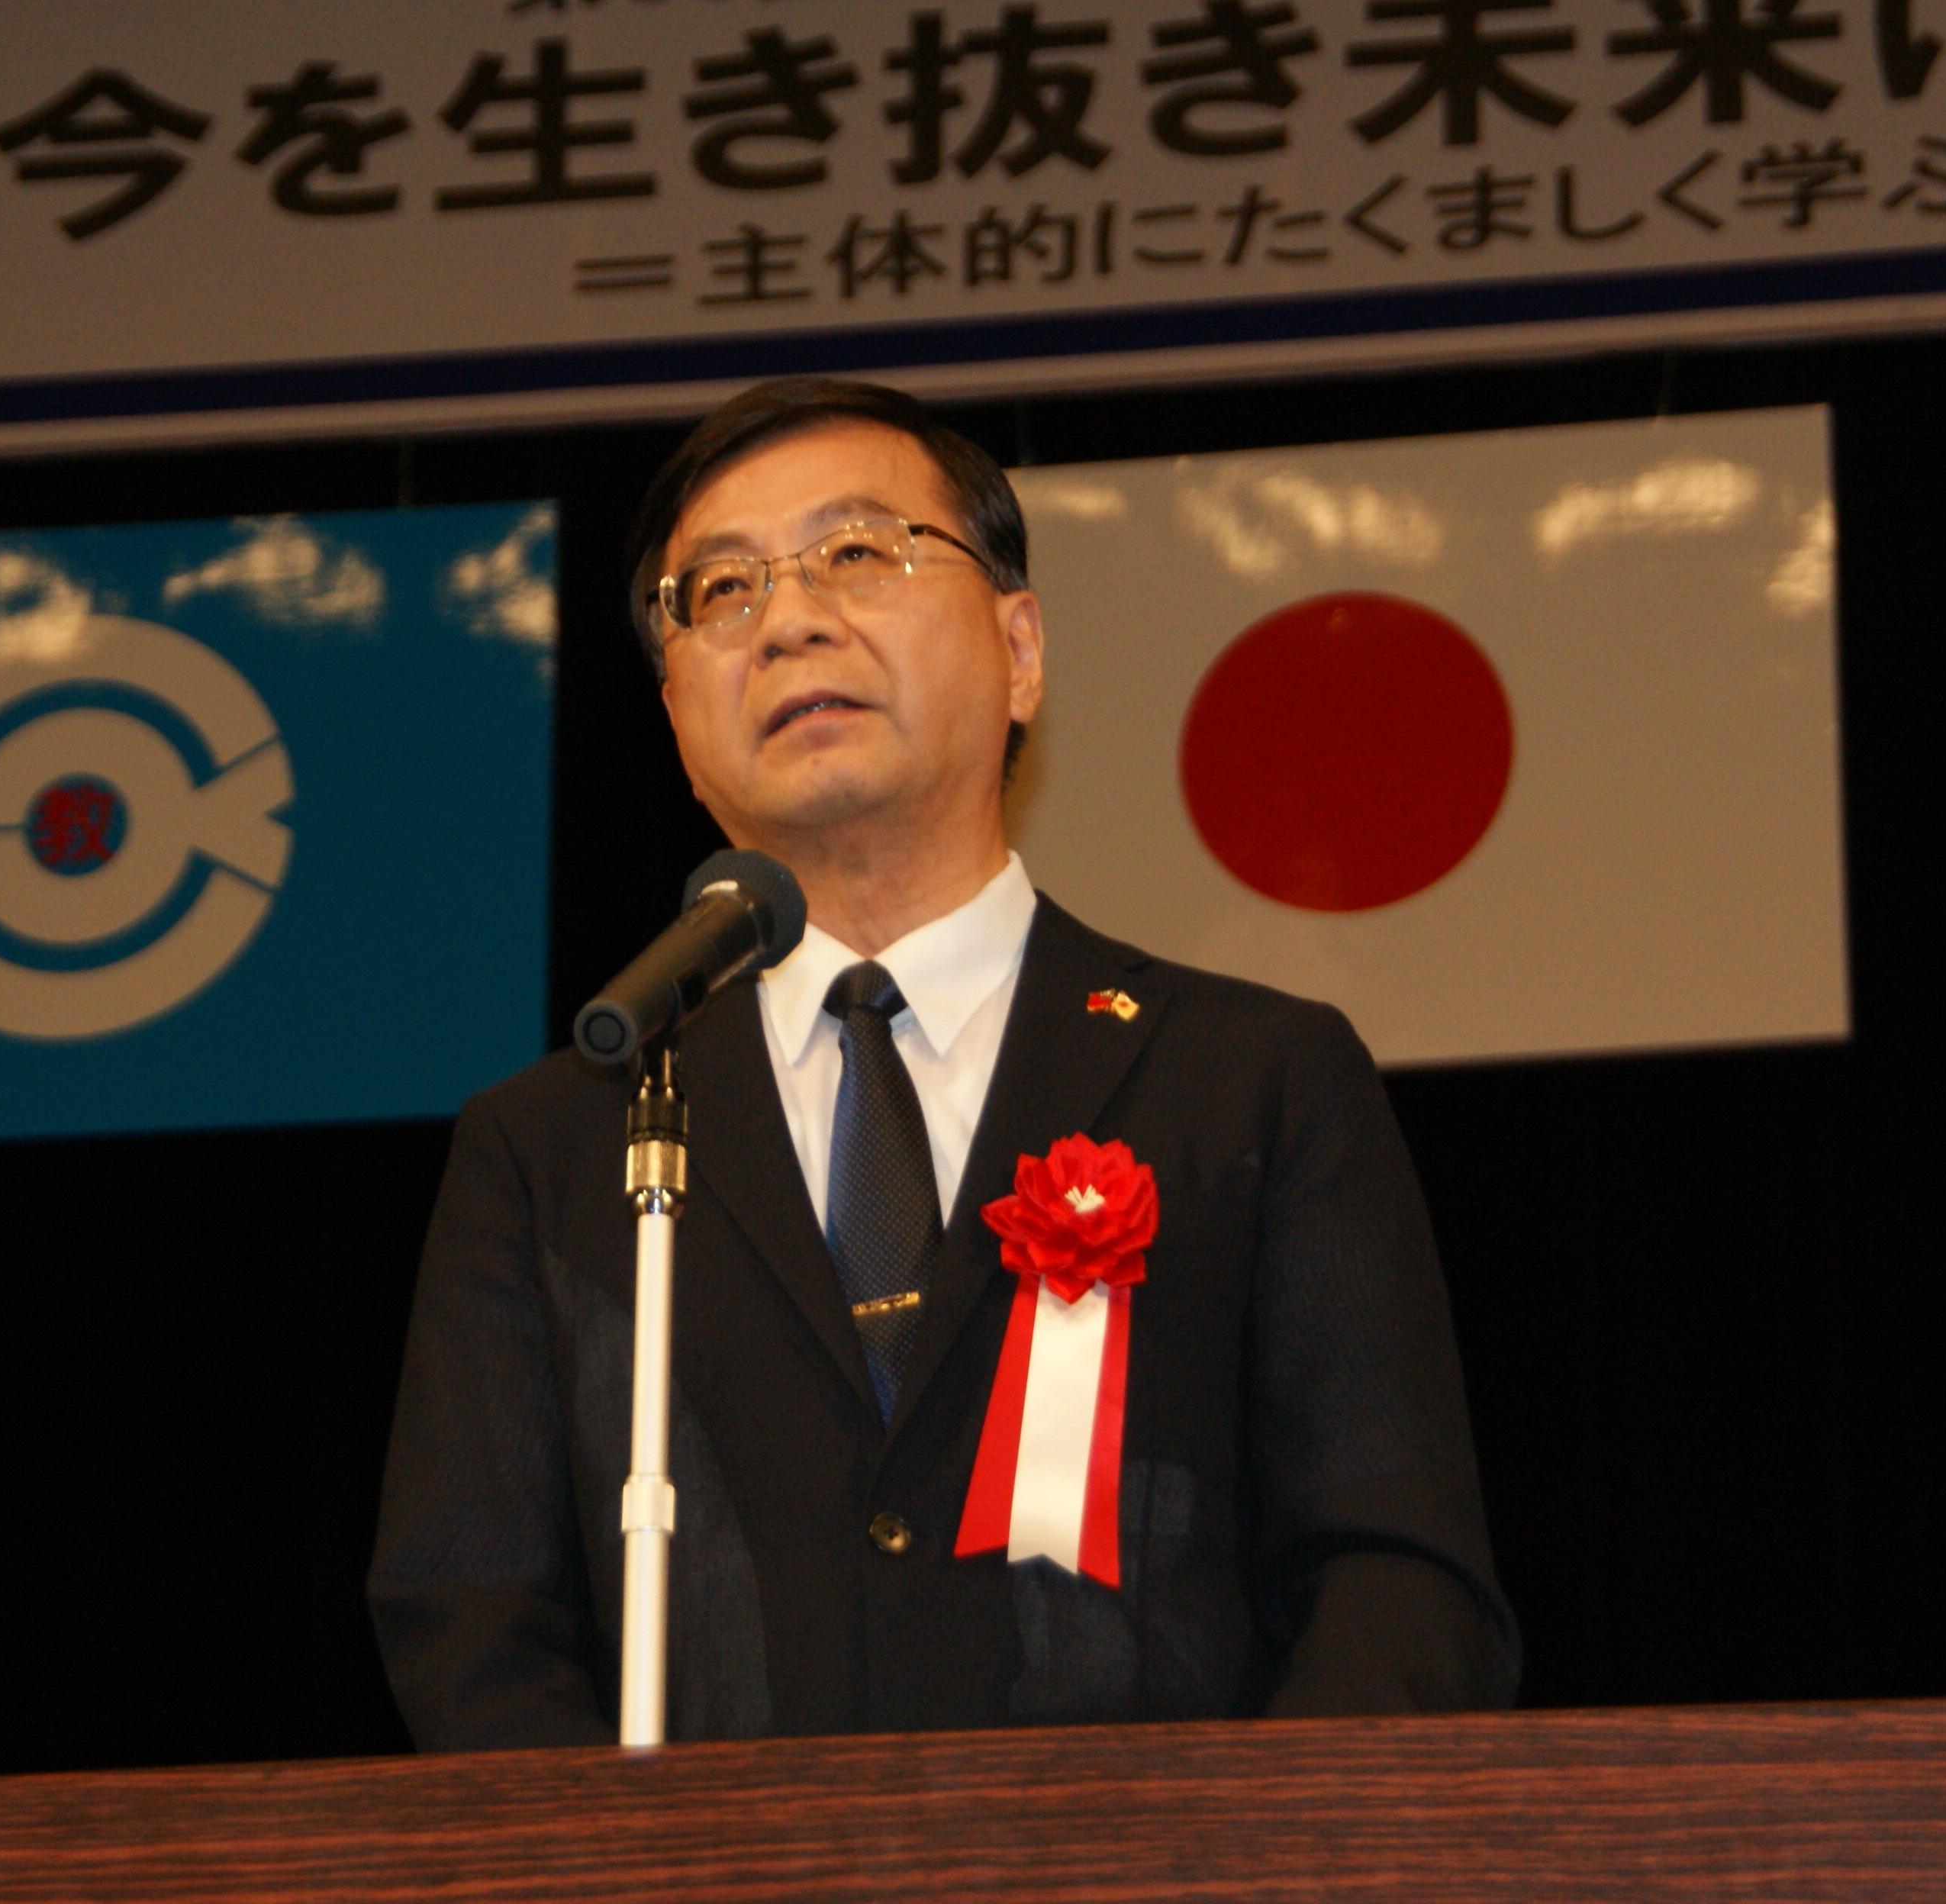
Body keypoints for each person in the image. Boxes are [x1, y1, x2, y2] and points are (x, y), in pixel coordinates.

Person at [369, 377, 1516, 1745]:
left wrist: (1249, 1851)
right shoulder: (558, 1144)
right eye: (722, 590)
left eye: (857, 551)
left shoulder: (1253, 1081)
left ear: (1020, 651)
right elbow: (473, 1627)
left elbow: (1392, 1583)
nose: (789, 619)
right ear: (676, 720)